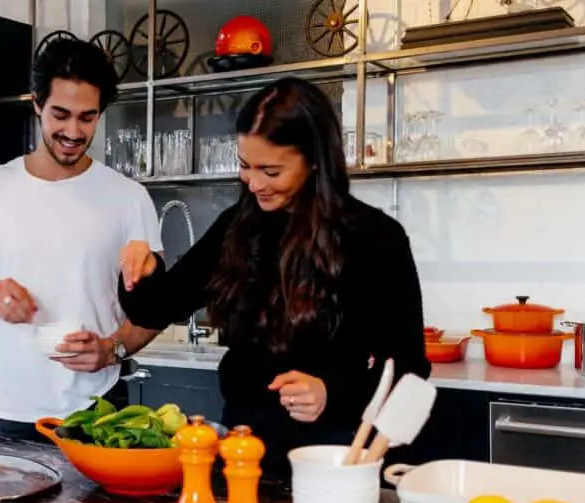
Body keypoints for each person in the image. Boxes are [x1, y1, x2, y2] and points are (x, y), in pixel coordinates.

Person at [117, 76, 431, 476]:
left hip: (334, 458)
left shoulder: (375, 238)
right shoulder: (238, 227)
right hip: (245, 456)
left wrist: (330, 392)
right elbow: (157, 307)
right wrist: (139, 266)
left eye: (271, 170)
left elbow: (408, 369)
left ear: (315, 160)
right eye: (246, 166)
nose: (255, 183)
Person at [0, 37, 162, 442]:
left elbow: (155, 307)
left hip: (97, 410)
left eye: (87, 118)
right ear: (36, 104)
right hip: (9, 408)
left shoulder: (128, 197)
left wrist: (112, 349)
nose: (72, 131)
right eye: (60, 115)